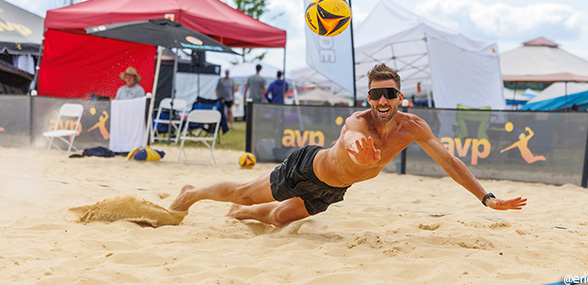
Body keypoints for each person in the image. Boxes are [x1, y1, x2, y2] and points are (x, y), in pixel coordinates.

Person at [170, 63, 527, 228]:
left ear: (399, 96)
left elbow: (450, 162)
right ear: (369, 97)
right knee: (245, 192)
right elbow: (352, 137)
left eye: (389, 93)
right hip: (307, 168)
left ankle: (240, 216)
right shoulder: (359, 122)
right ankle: (190, 194)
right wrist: (359, 149)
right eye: (376, 94)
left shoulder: (413, 128)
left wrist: (486, 197)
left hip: (333, 189)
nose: (382, 100)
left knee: (279, 218)